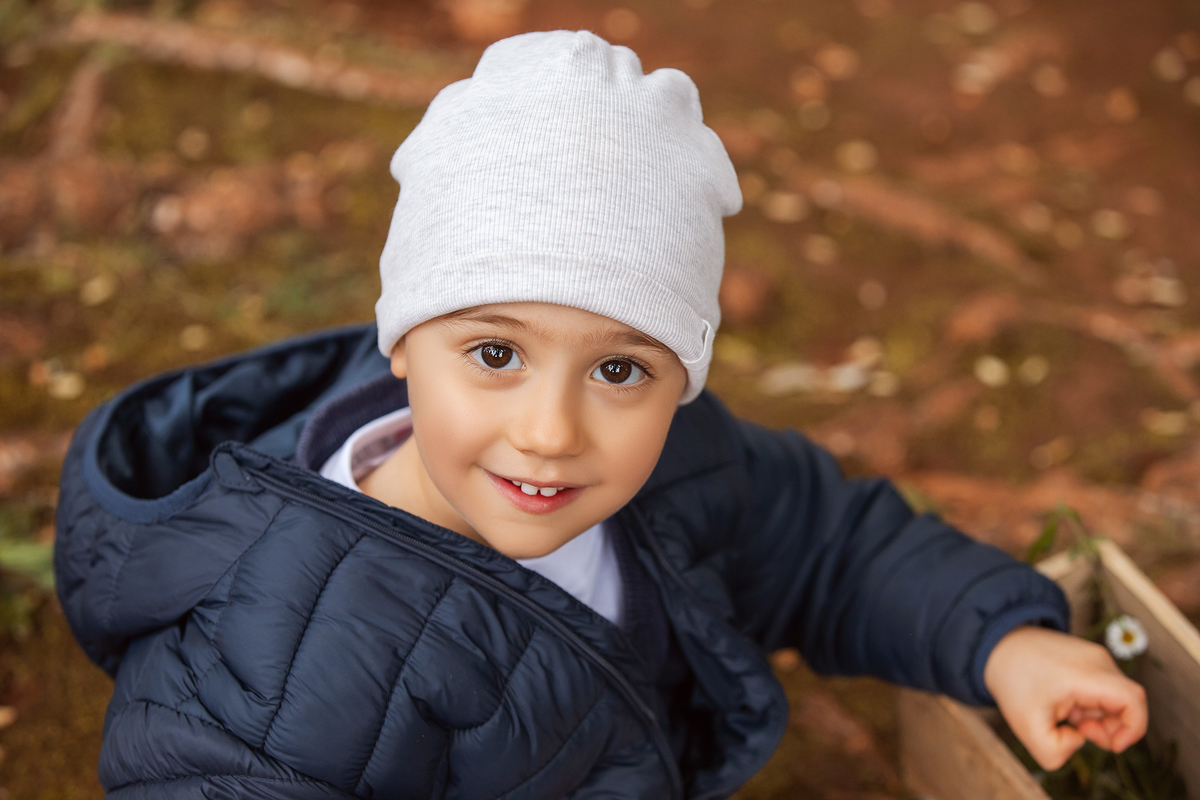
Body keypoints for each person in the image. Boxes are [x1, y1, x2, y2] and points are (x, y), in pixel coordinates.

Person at [54, 30, 1146, 799]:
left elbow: (830, 545)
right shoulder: (268, 669)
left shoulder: (683, 470)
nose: (551, 429)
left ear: (685, 377)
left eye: (622, 369)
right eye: (494, 352)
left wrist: (1004, 643)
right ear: (402, 341)